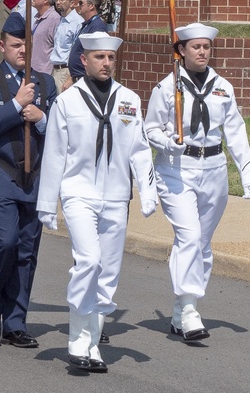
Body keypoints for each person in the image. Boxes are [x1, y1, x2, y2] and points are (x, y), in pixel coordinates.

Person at [37, 32, 158, 372]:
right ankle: (77, 338)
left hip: (117, 196)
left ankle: (93, 341)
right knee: (88, 260)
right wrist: (47, 203)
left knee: (107, 273)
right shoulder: (68, 101)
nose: (106, 63)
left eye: (110, 58)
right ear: (84, 61)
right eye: (99, 57)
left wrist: (148, 191)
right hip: (79, 194)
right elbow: (55, 155)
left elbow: (140, 150)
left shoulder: (129, 99)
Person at [144, 22, 250, 341]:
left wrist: (246, 169)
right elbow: (150, 128)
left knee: (202, 244)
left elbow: (234, 129)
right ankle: (191, 311)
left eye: (206, 47)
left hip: (214, 168)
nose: (203, 52)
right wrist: (168, 142)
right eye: (196, 47)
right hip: (177, 169)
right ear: (180, 50)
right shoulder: (167, 88)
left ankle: (183, 307)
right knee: (190, 237)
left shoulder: (222, 86)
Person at [0, 11, 57, 349]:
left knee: (26, 252)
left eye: (27, 45)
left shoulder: (45, 83)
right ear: (3, 46)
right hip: (0, 174)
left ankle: (16, 321)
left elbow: (60, 133)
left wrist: (42, 118)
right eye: (16, 45)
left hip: (34, 178)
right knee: (4, 243)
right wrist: (16, 105)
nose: (22, 51)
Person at [68, 0, 107, 82]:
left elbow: (96, 54)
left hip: (85, 77)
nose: (77, 5)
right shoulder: (86, 25)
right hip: (78, 76)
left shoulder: (97, 26)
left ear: (91, 6)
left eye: (81, 3)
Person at [49, 0, 82, 93]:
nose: (58, 2)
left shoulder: (77, 23)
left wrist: (71, 77)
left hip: (66, 71)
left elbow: (77, 51)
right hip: (54, 70)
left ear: (72, 3)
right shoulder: (60, 20)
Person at [30, 0, 60, 75]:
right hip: (33, 70)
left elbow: (57, 46)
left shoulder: (54, 19)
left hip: (45, 72)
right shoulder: (37, 17)